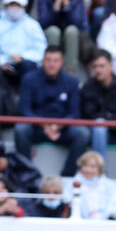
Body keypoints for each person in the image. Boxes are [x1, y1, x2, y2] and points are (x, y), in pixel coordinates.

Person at [15, 47, 90, 178]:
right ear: (43, 61)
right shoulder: (29, 79)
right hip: (36, 127)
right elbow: (25, 110)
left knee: (82, 133)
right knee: (21, 129)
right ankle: (27, 172)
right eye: (48, 60)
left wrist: (57, 126)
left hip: (62, 129)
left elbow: (75, 113)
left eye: (56, 61)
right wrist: (45, 125)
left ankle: (68, 176)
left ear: (62, 63)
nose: (52, 64)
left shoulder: (71, 82)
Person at [0, 0, 47, 86]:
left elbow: (41, 48)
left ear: (24, 7)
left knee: (29, 68)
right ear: (6, 6)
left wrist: (22, 57)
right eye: (11, 5)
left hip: (25, 65)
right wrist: (3, 61)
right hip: (3, 65)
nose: (14, 8)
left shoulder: (33, 25)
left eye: (18, 5)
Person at [39, 0, 89, 77]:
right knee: (53, 30)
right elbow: (44, 22)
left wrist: (66, 3)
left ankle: (70, 72)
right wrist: (57, 2)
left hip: (70, 39)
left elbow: (77, 23)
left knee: (71, 30)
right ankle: (50, 69)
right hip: (50, 36)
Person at [72, 150, 116, 220]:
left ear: (100, 168)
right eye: (85, 165)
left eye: (92, 166)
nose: (88, 170)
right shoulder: (73, 184)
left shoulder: (110, 185)